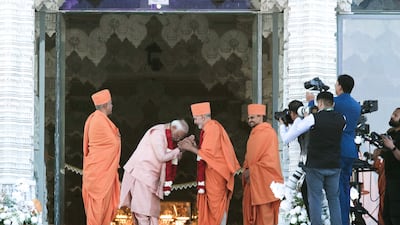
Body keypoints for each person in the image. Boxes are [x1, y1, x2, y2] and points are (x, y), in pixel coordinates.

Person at [307, 74, 361, 225]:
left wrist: (312, 99)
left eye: (336, 84)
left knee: (336, 194)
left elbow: (320, 109)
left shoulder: (337, 102)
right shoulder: (356, 105)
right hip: (350, 149)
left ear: (340, 86)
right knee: (344, 188)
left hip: (338, 150)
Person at [286, 92, 346, 225]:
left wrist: (302, 118)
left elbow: (298, 130)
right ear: (333, 104)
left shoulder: (313, 118)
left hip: (315, 165)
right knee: (334, 200)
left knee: (315, 199)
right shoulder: (341, 118)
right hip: (334, 164)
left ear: (319, 103)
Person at [178, 102, 240, 225]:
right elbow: (206, 152)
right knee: (211, 210)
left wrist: (190, 148)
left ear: (203, 116)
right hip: (211, 175)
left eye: (196, 118)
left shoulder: (212, 128)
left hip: (216, 175)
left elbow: (209, 155)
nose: (195, 122)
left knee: (217, 210)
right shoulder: (208, 129)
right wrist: (194, 147)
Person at [119, 119, 189, 225]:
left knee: (152, 212)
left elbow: (169, 157)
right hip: (142, 174)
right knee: (142, 211)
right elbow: (161, 157)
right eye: (179, 135)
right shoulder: (158, 133)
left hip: (152, 178)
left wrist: (179, 152)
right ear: (173, 128)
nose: (178, 139)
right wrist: (179, 150)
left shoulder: (166, 135)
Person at [82, 89, 121, 225]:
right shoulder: (98, 120)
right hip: (99, 172)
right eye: (110, 104)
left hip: (103, 171)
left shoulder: (98, 119)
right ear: (105, 105)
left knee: (103, 208)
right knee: (98, 208)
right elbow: (113, 144)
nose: (112, 106)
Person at [242, 103, 283, 225]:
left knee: (266, 217)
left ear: (261, 117)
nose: (250, 120)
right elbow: (249, 157)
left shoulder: (268, 133)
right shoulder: (253, 134)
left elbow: (270, 161)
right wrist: (246, 170)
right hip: (253, 182)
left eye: (253, 117)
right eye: (249, 118)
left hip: (265, 182)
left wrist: (252, 171)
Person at [278, 100, 310, 217]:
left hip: (306, 160)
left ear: (292, 113)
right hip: (307, 160)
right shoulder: (305, 120)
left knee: (305, 189)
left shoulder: (298, 121)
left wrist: (282, 125)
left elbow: (286, 139)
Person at [375, 107, 400, 225]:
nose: (392, 116)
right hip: (388, 179)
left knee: (396, 215)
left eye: (396, 115)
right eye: (393, 113)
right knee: (387, 214)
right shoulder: (391, 133)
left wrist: (392, 147)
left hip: (397, 181)